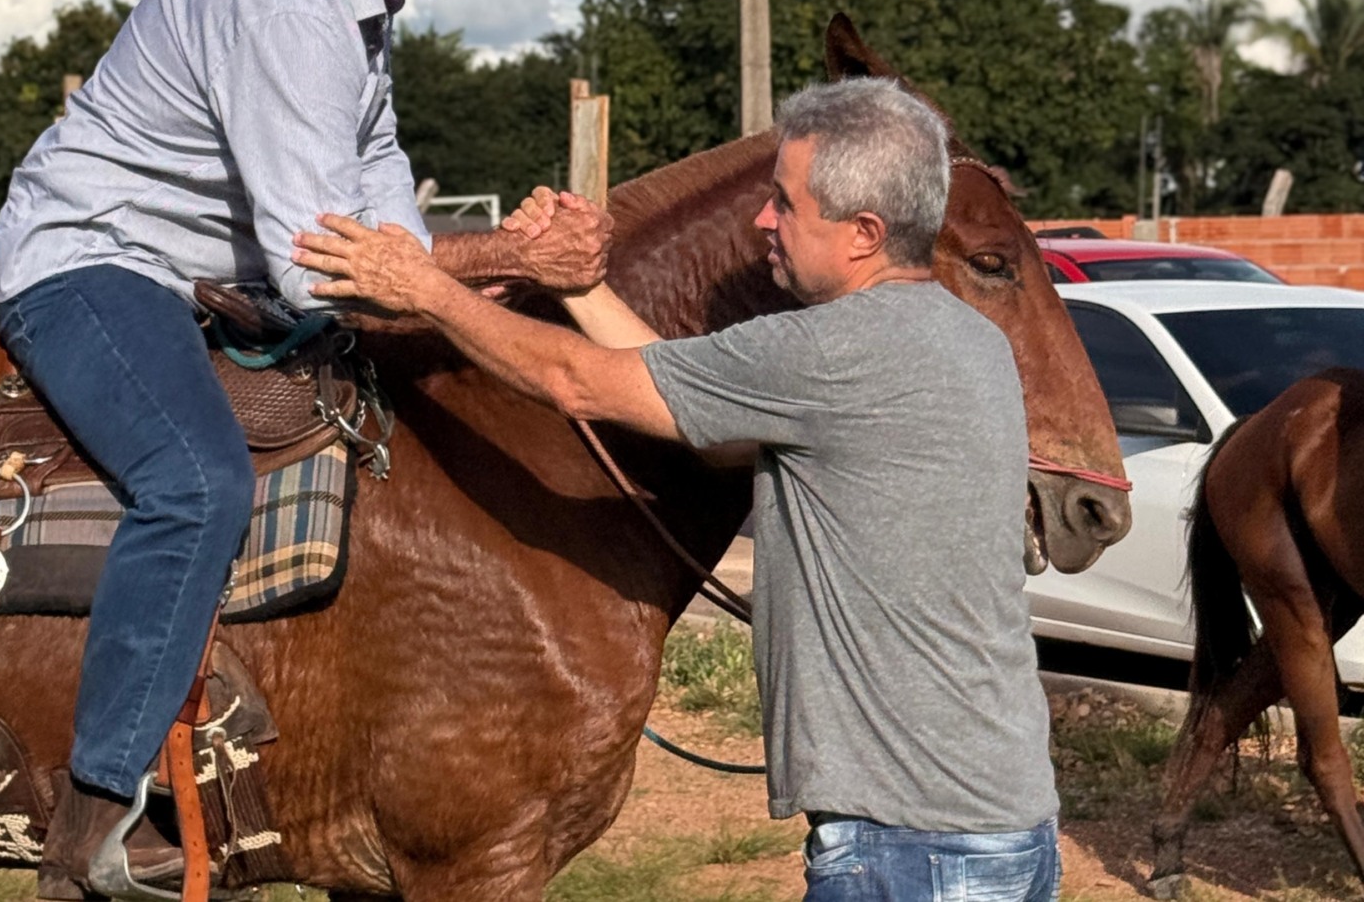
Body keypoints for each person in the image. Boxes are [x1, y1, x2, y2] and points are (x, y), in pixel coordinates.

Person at [0, 0, 611, 894]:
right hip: (94, 259)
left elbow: (375, 185)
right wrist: (512, 257)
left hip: (204, 275)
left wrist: (466, 276)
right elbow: (324, 263)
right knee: (199, 481)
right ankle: (94, 818)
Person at [292, 78, 1061, 902]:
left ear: (865, 233)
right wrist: (581, 287)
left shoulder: (827, 351)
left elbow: (574, 383)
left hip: (914, 849)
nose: (763, 222)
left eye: (786, 205)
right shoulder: (967, 342)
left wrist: (424, 289)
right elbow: (703, 416)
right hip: (1006, 819)